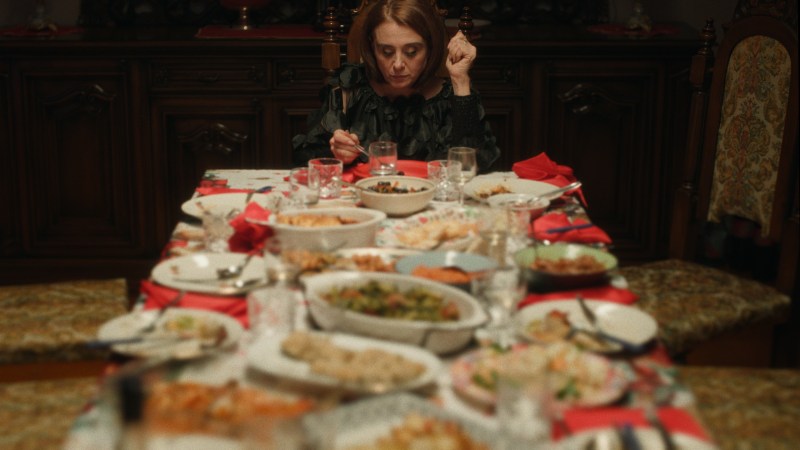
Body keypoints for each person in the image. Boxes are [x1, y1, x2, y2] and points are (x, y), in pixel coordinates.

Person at [291, 0, 500, 172]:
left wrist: (460, 80)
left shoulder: (451, 93)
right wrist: (336, 153)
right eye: (387, 52)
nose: (398, 65)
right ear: (373, 49)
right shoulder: (349, 88)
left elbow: (471, 166)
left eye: (411, 52)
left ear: (430, 49)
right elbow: (305, 158)